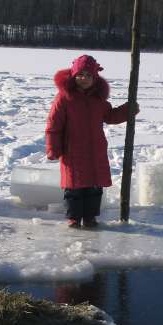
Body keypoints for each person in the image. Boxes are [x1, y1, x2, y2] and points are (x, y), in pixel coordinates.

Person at [45, 54, 138, 229]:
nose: (84, 79)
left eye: (88, 75)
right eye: (80, 75)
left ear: (95, 77)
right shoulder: (64, 98)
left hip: (95, 150)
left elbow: (110, 116)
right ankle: (74, 218)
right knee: (74, 187)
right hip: (72, 150)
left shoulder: (98, 99)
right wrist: (53, 147)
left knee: (94, 187)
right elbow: (53, 126)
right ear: (74, 76)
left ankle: (90, 217)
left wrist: (128, 110)